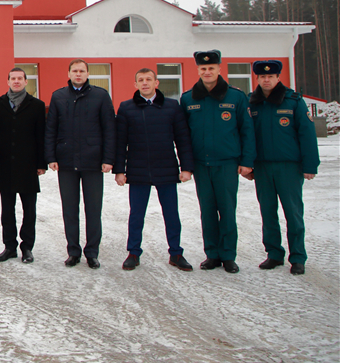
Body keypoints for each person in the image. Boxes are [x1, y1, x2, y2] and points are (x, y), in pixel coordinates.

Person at [180, 50, 255, 274]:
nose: (207, 72)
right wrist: (187, 164)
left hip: (227, 163)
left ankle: (228, 255)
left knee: (228, 210)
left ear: (219, 69)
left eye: (211, 68)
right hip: (201, 164)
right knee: (207, 211)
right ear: (198, 70)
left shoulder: (236, 97)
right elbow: (183, 136)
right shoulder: (188, 98)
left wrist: (247, 161)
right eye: (203, 68)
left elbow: (247, 130)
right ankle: (212, 254)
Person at [114, 68, 194, 272]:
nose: (145, 83)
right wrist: (119, 170)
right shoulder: (126, 108)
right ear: (135, 84)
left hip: (166, 169)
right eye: (140, 80)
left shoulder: (172, 106)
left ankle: (176, 253)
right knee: (136, 215)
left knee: (171, 214)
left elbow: (182, 139)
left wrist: (186, 167)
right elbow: (120, 142)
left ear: (156, 83)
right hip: (138, 170)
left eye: (149, 79)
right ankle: (133, 252)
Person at [248, 60, 319, 275]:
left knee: (293, 213)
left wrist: (310, 165)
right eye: (262, 77)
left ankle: (297, 257)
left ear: (278, 77)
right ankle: (274, 254)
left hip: (289, 167)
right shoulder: (252, 102)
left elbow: (307, 134)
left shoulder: (293, 101)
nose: (266, 80)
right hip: (262, 167)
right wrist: (247, 164)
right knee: (268, 213)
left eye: (270, 76)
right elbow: (246, 135)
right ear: (257, 78)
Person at [45, 58, 116, 269]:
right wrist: (51, 157)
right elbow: (51, 129)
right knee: (69, 210)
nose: (78, 74)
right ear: (68, 74)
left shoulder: (101, 95)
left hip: (93, 161)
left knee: (93, 209)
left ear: (87, 74)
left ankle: (92, 252)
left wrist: (108, 159)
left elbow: (109, 129)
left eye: (82, 71)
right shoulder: (58, 96)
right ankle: (73, 251)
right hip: (66, 161)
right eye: (74, 71)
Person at [0, 67, 46, 264]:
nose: (16, 81)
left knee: (29, 210)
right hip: (5, 164)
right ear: (8, 81)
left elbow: (41, 136)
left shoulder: (37, 105)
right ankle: (9, 247)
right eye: (13, 78)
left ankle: (27, 247)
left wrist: (41, 163)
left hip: (28, 165)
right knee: (7, 210)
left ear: (25, 81)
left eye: (20, 78)